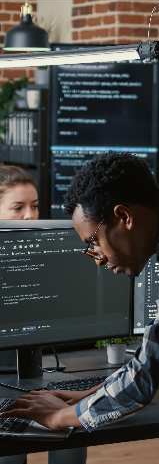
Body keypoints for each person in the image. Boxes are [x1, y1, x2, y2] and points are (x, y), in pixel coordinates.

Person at [1, 151, 159, 434]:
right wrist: (93, 394)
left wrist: (60, 417)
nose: (97, 258)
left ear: (124, 216)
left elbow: (153, 374)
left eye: (94, 242)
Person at [0, 165, 87, 464]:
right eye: (18, 208)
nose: (29, 216)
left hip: (34, 374)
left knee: (74, 431)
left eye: (34, 207)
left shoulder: (46, 254)